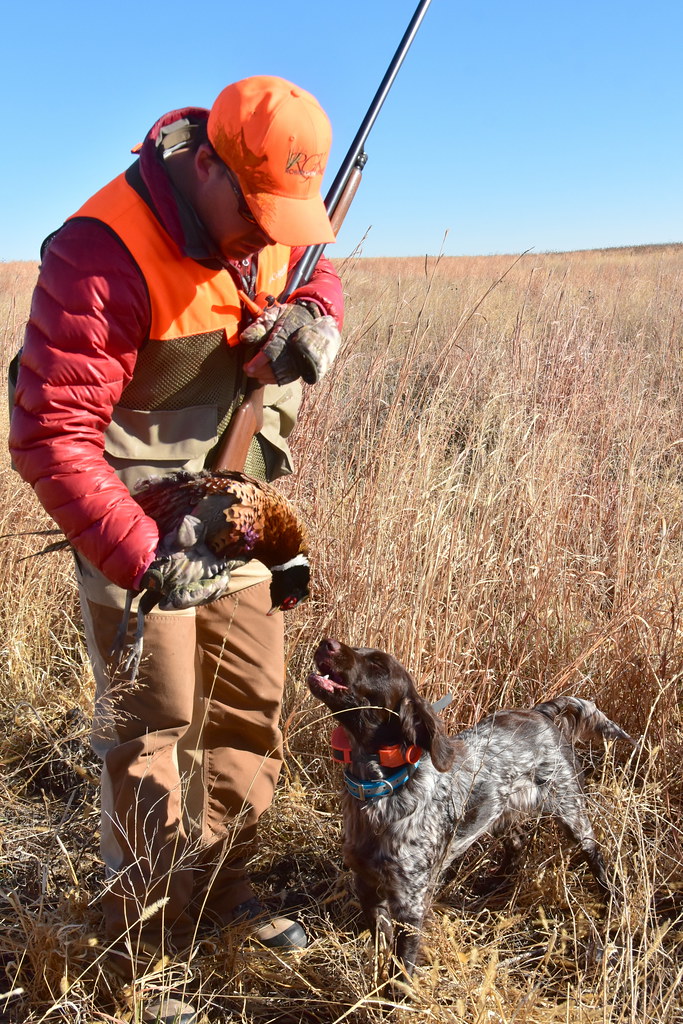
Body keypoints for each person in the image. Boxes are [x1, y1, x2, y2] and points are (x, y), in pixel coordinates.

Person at [9, 76, 344, 1022]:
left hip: (235, 512)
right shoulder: (100, 253)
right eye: (256, 209)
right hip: (131, 524)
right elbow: (49, 434)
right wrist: (146, 558)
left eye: (286, 213)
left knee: (249, 710)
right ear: (205, 167)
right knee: (150, 726)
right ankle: (144, 936)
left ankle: (225, 894)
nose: (268, 234)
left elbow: (316, 265)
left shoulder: (270, 223)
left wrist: (318, 317)